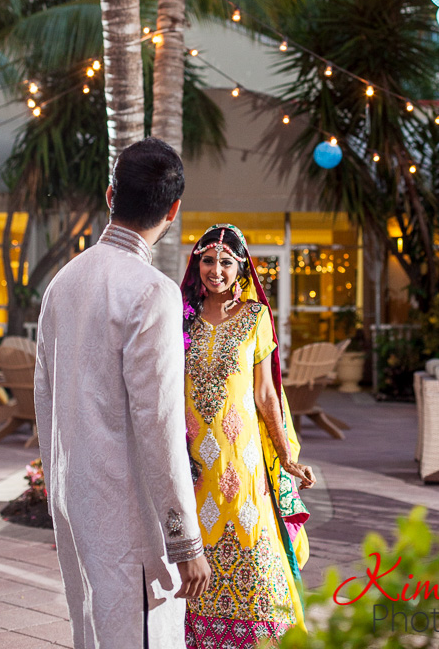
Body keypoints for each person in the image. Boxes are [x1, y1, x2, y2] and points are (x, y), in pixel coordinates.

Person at [34, 138, 211, 649]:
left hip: (76, 499)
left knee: (91, 629)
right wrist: (185, 541)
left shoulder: (62, 282)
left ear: (111, 195)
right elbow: (160, 426)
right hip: (130, 514)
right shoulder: (152, 291)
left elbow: (44, 404)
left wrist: (58, 489)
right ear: (173, 210)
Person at [181, 223, 316, 648]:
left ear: (241, 267)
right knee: (195, 551)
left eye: (225, 261)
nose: (215, 270)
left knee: (253, 548)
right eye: (207, 260)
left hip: (242, 460)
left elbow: (265, 393)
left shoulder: (255, 317)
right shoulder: (182, 315)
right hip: (193, 462)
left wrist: (286, 455)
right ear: (196, 263)